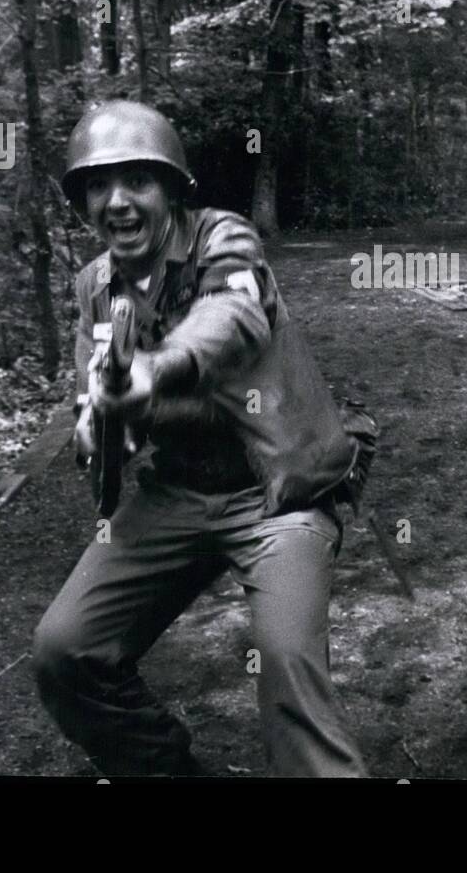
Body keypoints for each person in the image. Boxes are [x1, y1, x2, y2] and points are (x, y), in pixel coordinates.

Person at [33, 99, 367, 778]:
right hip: (175, 491)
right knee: (66, 648)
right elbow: (95, 406)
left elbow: (235, 317)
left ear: (172, 190)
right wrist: (98, 427)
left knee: (288, 665)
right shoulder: (95, 286)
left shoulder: (224, 238)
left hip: (277, 490)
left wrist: (155, 370)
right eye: (99, 185)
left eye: (137, 182)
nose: (117, 203)